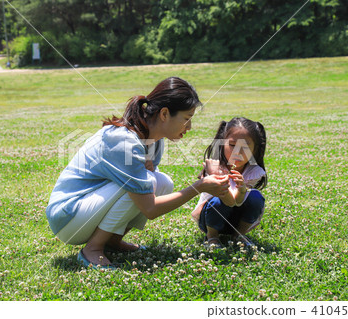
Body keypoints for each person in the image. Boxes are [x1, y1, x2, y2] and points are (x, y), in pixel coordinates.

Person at [46, 77, 230, 269]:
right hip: (68, 217)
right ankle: (93, 248)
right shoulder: (124, 141)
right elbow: (149, 208)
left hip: (87, 211)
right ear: (165, 114)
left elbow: (148, 189)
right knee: (146, 181)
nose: (189, 127)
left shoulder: (154, 139)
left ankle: (113, 241)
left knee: (162, 182)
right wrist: (199, 187)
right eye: (186, 118)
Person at [191, 117, 267, 248]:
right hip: (210, 219)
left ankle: (239, 235)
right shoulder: (213, 167)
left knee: (255, 197)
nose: (237, 151)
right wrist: (216, 175)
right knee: (217, 201)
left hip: (236, 218)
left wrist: (242, 190)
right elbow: (228, 201)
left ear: (255, 149)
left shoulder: (254, 172)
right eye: (232, 145)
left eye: (245, 146)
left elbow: (235, 201)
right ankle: (212, 237)